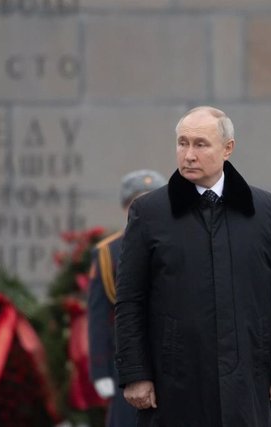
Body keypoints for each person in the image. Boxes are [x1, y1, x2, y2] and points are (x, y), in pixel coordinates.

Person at [114, 106, 271, 426]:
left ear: (227, 149)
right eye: (182, 143)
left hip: (247, 380)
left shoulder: (265, 210)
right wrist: (135, 373)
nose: (188, 155)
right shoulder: (149, 212)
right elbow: (130, 299)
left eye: (200, 144)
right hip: (173, 383)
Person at [87, 169, 167, 427]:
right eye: (137, 201)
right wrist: (100, 370)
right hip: (127, 361)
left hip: (173, 357)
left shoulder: (182, 244)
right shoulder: (108, 253)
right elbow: (99, 316)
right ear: (126, 207)